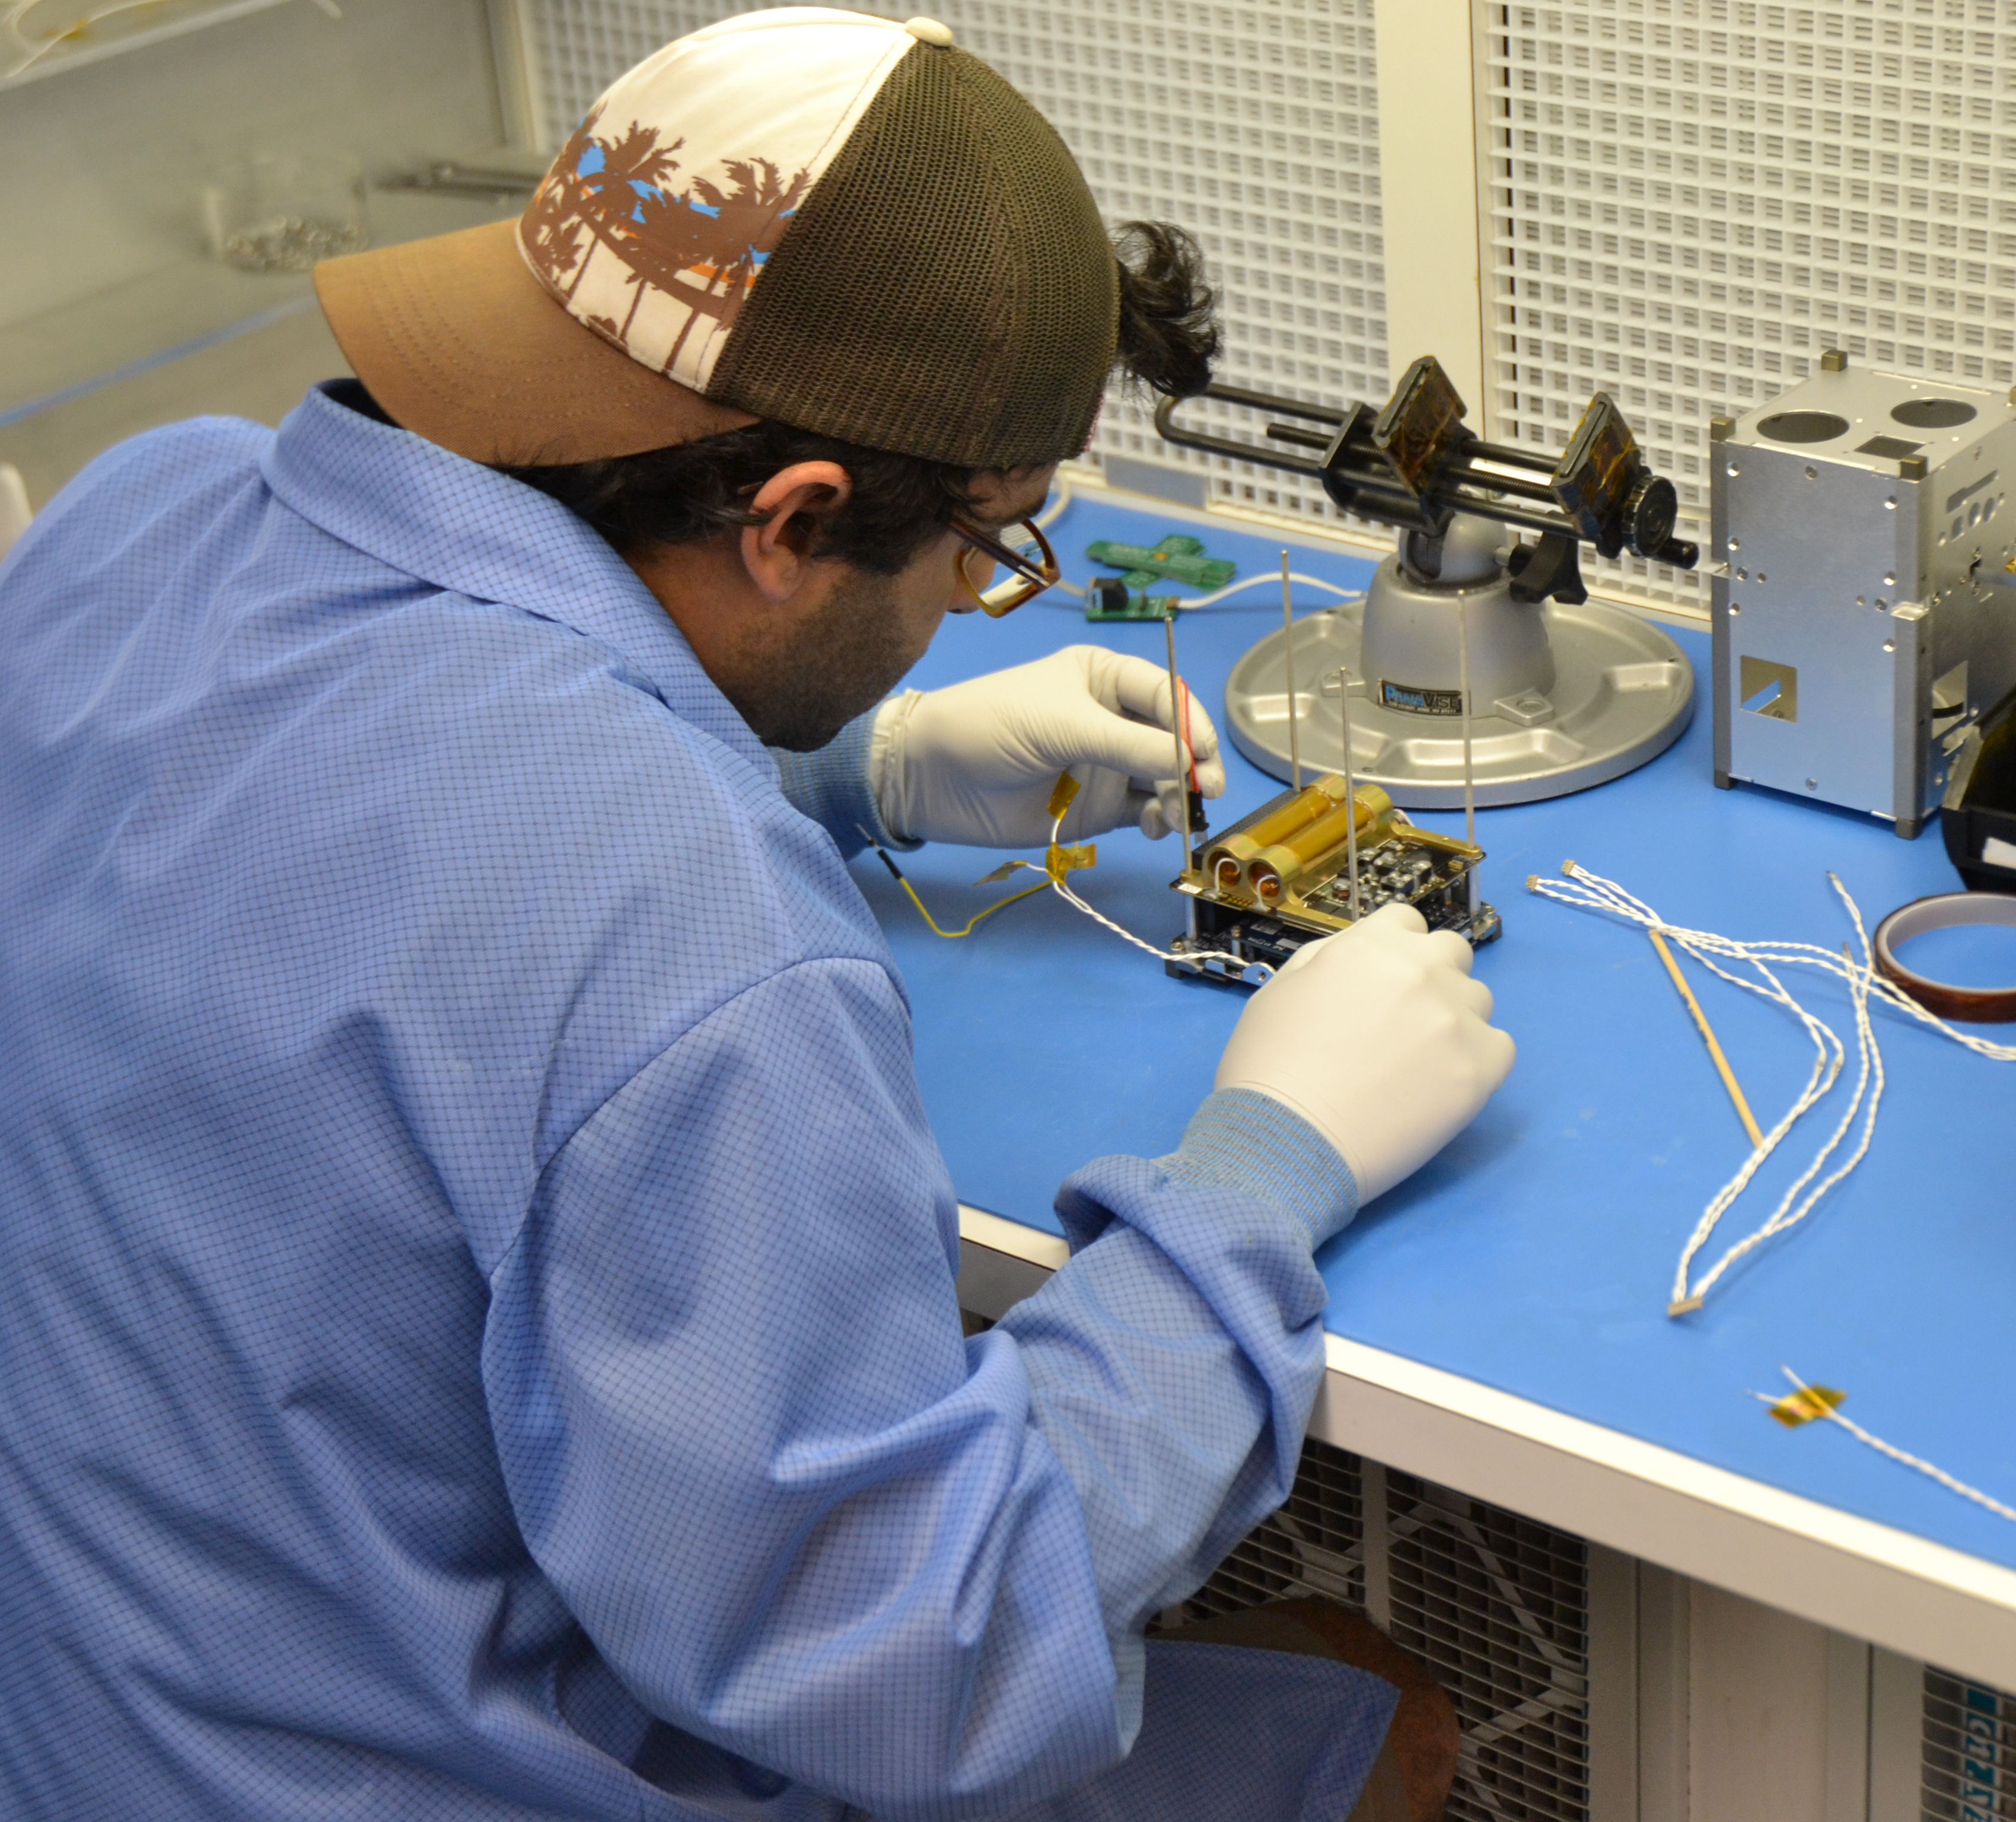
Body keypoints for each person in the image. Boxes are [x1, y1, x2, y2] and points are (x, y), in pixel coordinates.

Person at [0, 12, 1513, 1821]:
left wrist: (851, 772)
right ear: (791, 519)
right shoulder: (696, 949)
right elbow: (924, 1661)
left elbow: (369, 859)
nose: (975, 604)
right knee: (1377, 1715)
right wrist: (1264, 1182)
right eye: (991, 548)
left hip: (106, 1729)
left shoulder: (130, 517)